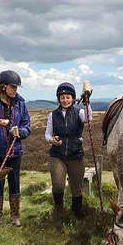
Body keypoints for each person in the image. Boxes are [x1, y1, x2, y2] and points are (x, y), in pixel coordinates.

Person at [0, 70, 31, 226]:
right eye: (13, 87)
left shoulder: (21, 103)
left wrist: (20, 132)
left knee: (14, 182)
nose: (15, 90)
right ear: (3, 87)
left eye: (16, 87)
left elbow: (27, 125)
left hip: (15, 151)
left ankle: (15, 215)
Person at [45, 82, 92, 220]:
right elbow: (47, 134)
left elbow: (89, 118)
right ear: (58, 99)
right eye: (62, 97)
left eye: (68, 97)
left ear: (73, 98)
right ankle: (59, 209)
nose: (65, 100)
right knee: (58, 185)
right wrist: (51, 140)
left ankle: (76, 211)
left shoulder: (80, 112)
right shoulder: (52, 115)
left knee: (76, 187)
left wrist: (87, 101)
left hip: (75, 154)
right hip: (57, 155)